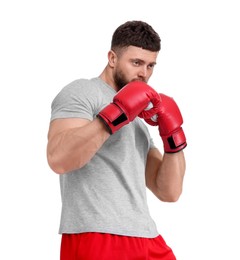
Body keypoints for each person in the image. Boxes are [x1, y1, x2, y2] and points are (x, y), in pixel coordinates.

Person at [47, 20, 187, 260]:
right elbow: (59, 159)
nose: (144, 73)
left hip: (146, 236)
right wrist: (114, 116)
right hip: (98, 234)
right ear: (112, 58)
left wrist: (172, 136)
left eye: (151, 65)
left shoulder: (138, 117)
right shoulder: (81, 92)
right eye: (136, 63)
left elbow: (169, 192)